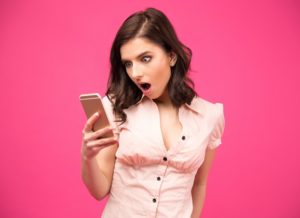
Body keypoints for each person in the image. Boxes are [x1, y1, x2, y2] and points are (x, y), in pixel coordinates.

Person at [81, 7, 225, 218]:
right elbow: (99, 190)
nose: (136, 73)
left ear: (172, 56)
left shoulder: (209, 116)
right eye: (128, 64)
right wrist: (87, 156)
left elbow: (199, 184)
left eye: (145, 58)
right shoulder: (115, 108)